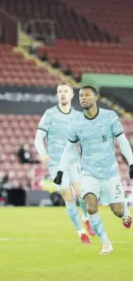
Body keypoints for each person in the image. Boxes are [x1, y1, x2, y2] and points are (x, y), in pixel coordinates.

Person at [54, 86, 133, 255]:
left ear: (95, 98)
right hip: (89, 173)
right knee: (90, 206)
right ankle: (106, 243)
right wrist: (61, 170)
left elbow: (123, 141)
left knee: (118, 211)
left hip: (110, 173)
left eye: (87, 95)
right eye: (81, 95)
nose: (83, 98)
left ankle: (126, 211)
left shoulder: (110, 117)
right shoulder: (75, 123)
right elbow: (69, 149)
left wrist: (132, 163)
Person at [34, 81, 94, 243]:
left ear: (71, 94)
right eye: (59, 91)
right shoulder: (50, 114)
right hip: (55, 163)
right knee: (68, 196)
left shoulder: (77, 116)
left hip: (74, 161)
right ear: (57, 94)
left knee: (81, 193)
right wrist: (43, 153)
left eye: (65, 91)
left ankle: (86, 219)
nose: (62, 94)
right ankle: (81, 232)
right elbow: (38, 138)